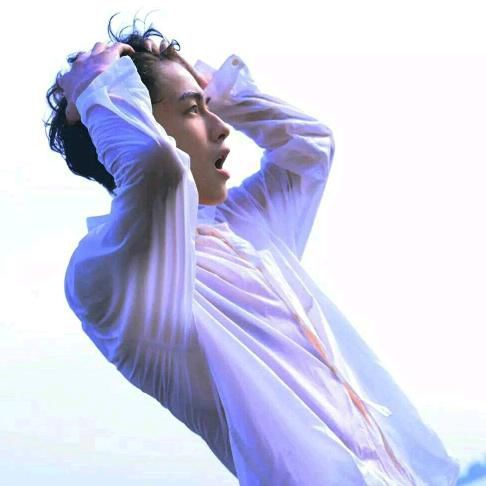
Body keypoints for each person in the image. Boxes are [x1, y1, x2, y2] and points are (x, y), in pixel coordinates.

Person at [45, 15, 460, 485]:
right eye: (193, 111)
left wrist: (218, 90)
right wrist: (98, 90)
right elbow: (158, 167)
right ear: (138, 121)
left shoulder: (242, 228)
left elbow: (309, 146)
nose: (222, 127)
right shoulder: (110, 276)